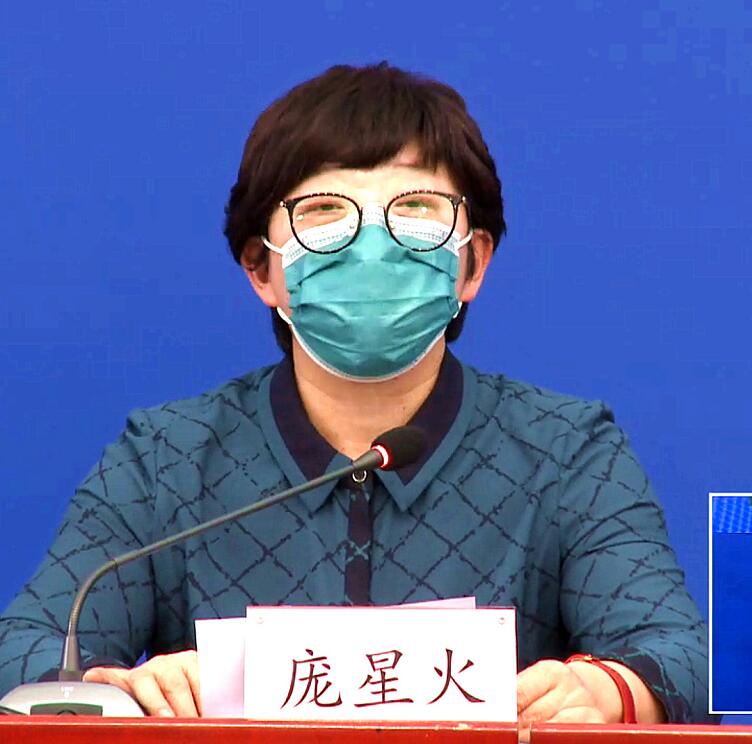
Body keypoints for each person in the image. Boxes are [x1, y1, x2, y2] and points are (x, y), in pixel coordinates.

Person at [0, 63, 712, 726]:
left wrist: (611, 689)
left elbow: (686, 655)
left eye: (417, 208)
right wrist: (115, 689)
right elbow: (25, 646)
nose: (373, 247)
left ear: (474, 263)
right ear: (261, 269)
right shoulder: (167, 458)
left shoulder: (566, 450)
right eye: (325, 212)